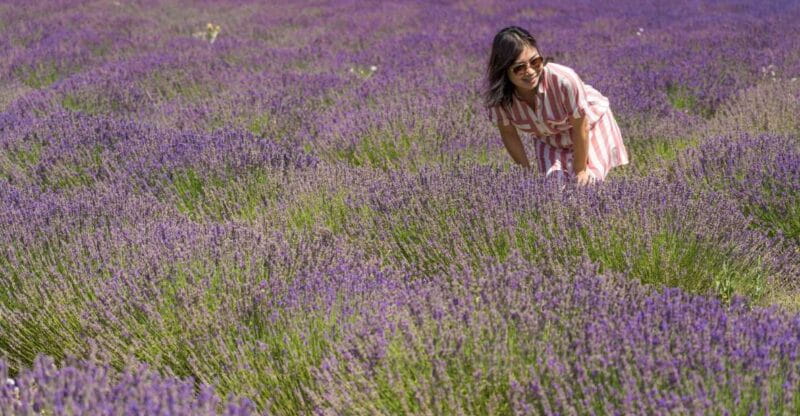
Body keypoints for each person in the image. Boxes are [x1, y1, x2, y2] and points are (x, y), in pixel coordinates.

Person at [484, 26, 629, 185]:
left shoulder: (563, 81)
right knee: (553, 188)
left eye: (535, 61)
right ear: (504, 70)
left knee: (587, 185)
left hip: (590, 125)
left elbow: (581, 125)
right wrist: (526, 173)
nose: (530, 71)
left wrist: (580, 170)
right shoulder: (498, 100)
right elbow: (509, 134)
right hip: (549, 138)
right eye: (520, 68)